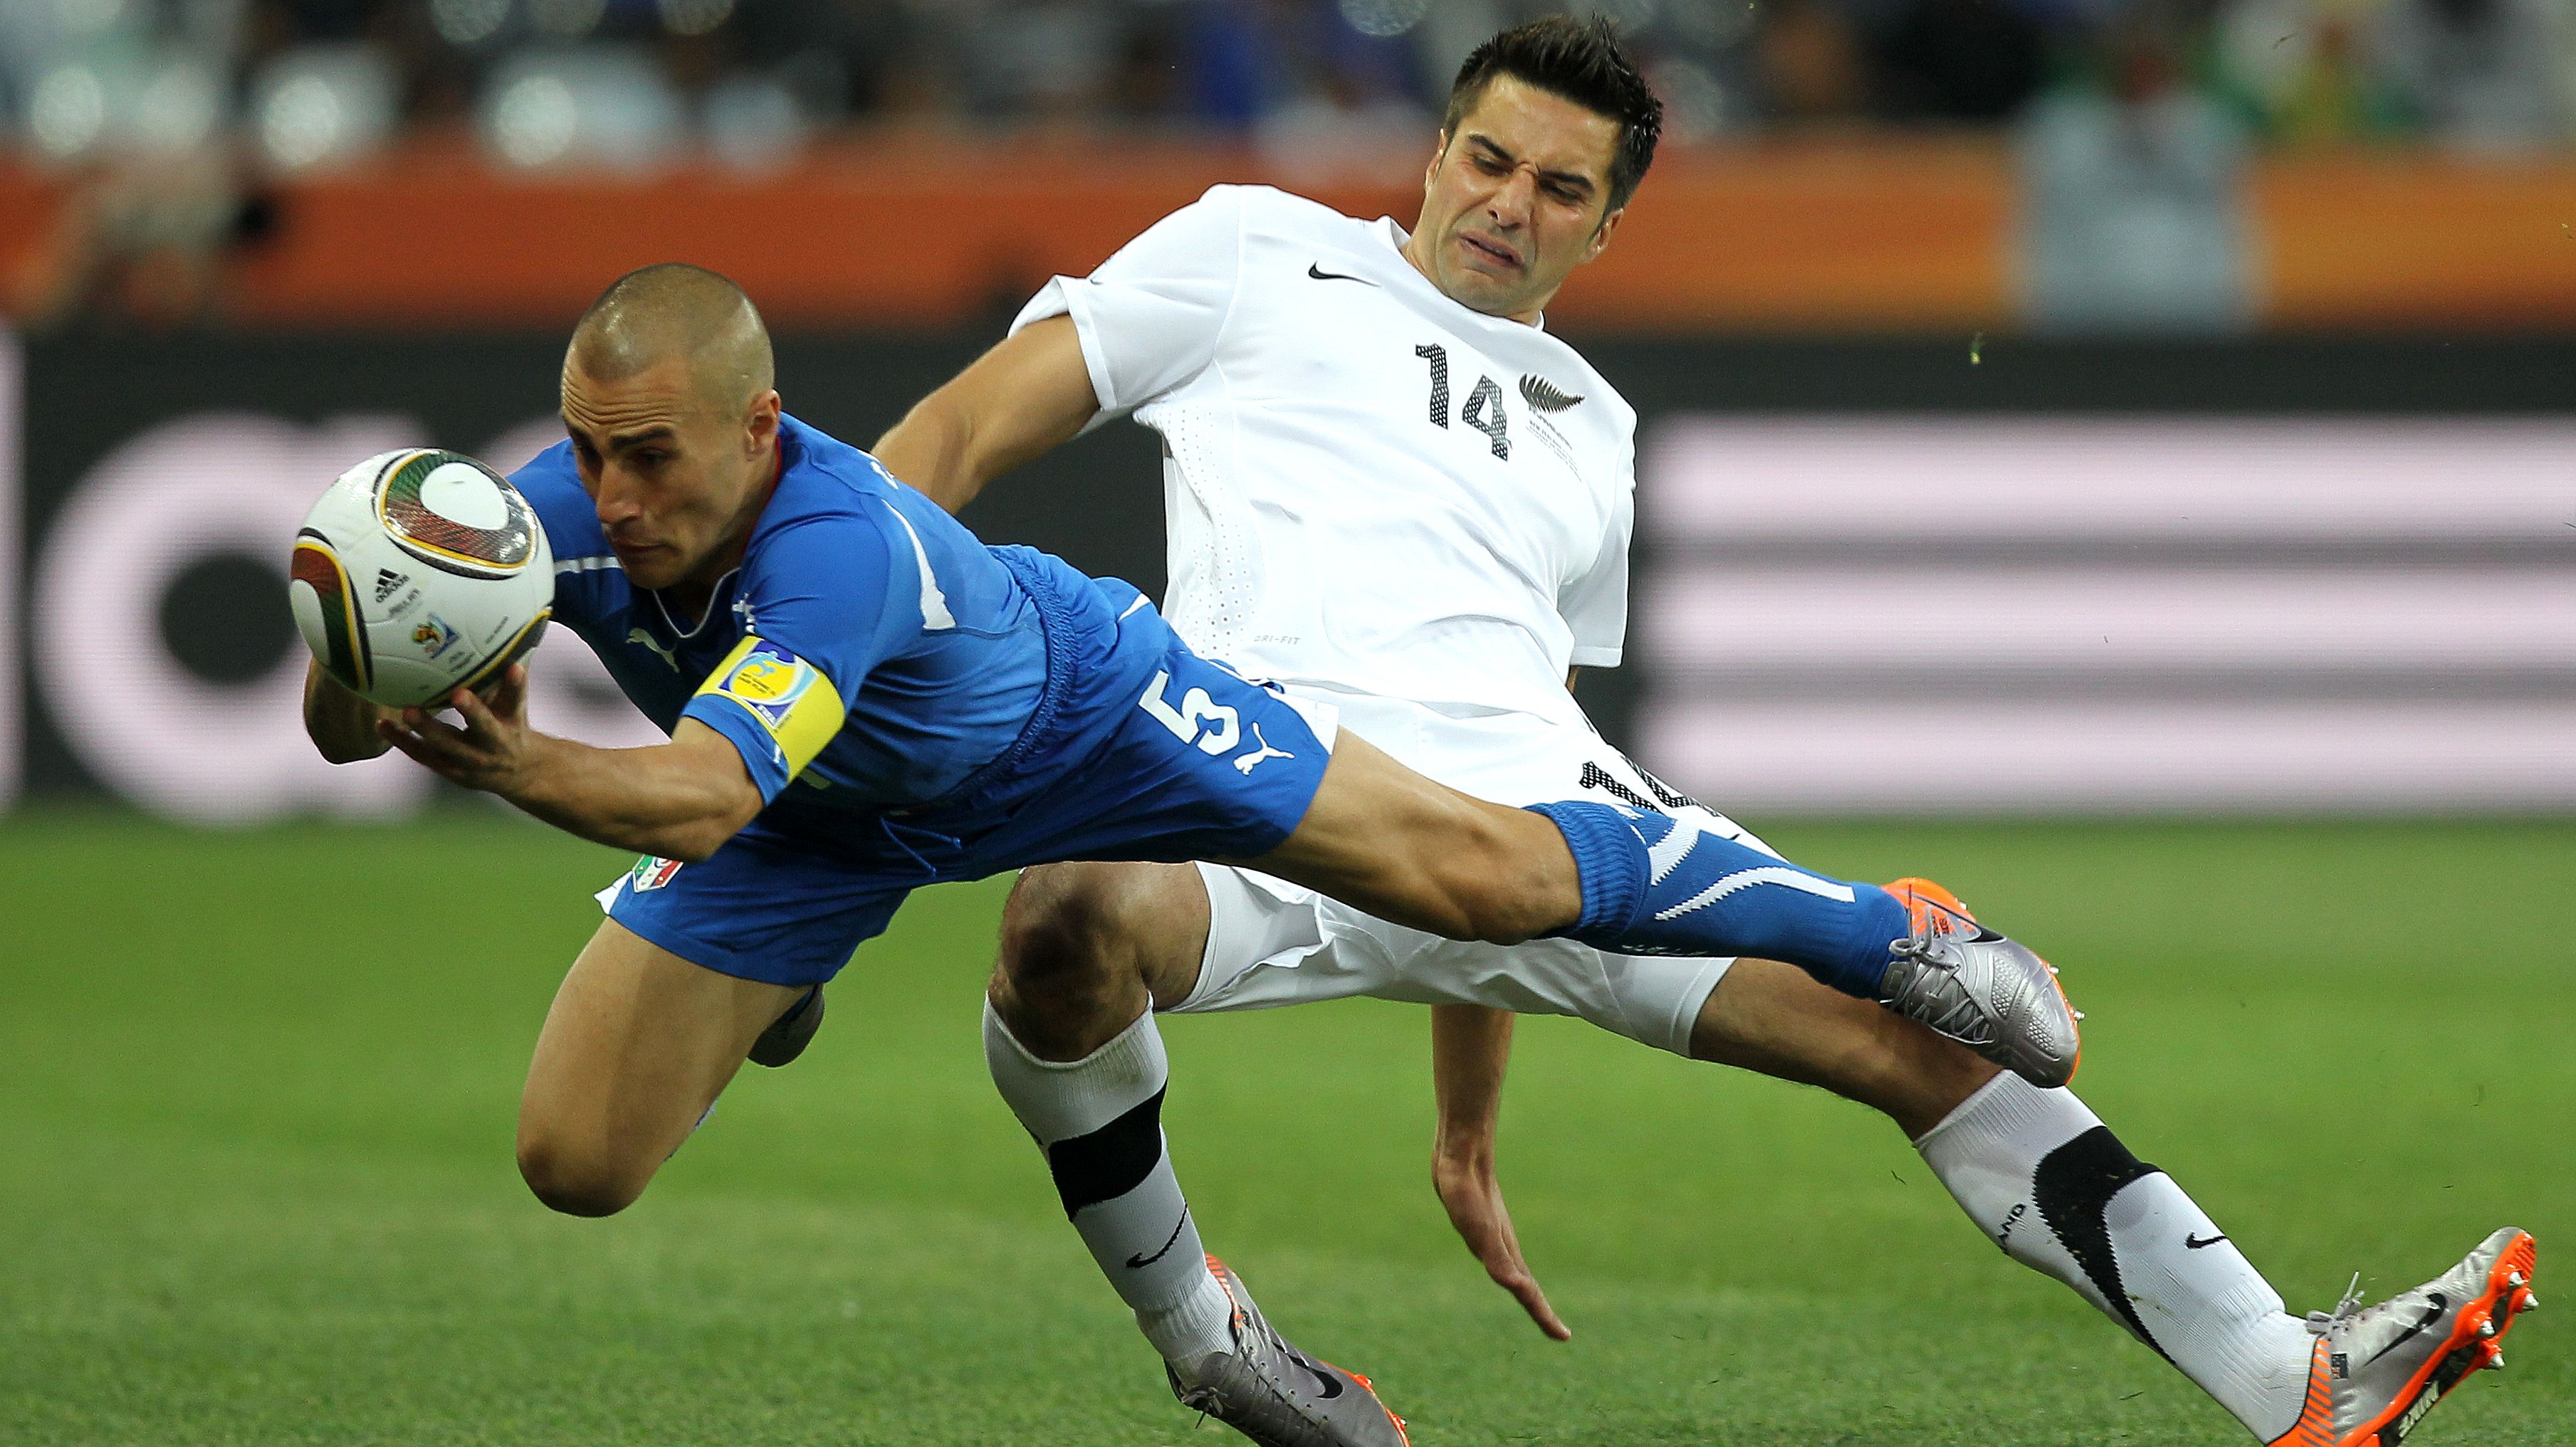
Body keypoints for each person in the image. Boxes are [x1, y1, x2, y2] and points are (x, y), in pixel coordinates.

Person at [871, 15, 2537, 1447]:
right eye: (1489, 160)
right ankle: (1207, 1342)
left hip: (1542, 830)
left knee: (1935, 1052)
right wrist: (824, 639)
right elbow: (963, 423)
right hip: (1262, 782)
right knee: (1065, 924)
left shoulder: (1595, 426)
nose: (1509, 206)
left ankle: (2296, 1380)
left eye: (1561, 188)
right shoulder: (1251, 248)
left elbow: (1528, 719)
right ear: (1435, 152)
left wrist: (1467, 1119)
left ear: (1605, 229)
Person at [297, 254, 2077, 1441]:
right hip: (824, 817)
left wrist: (518, 762)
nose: (613, 500)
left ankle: (1884, 928)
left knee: (1484, 875)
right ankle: (1215, 1341)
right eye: (592, 455)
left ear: (758, 431)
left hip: (1086, 719)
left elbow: (689, 796)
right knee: (573, 1161)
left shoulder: (831, 543)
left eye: (652, 459)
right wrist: (358, 647)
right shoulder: (547, 518)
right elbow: (370, 711)